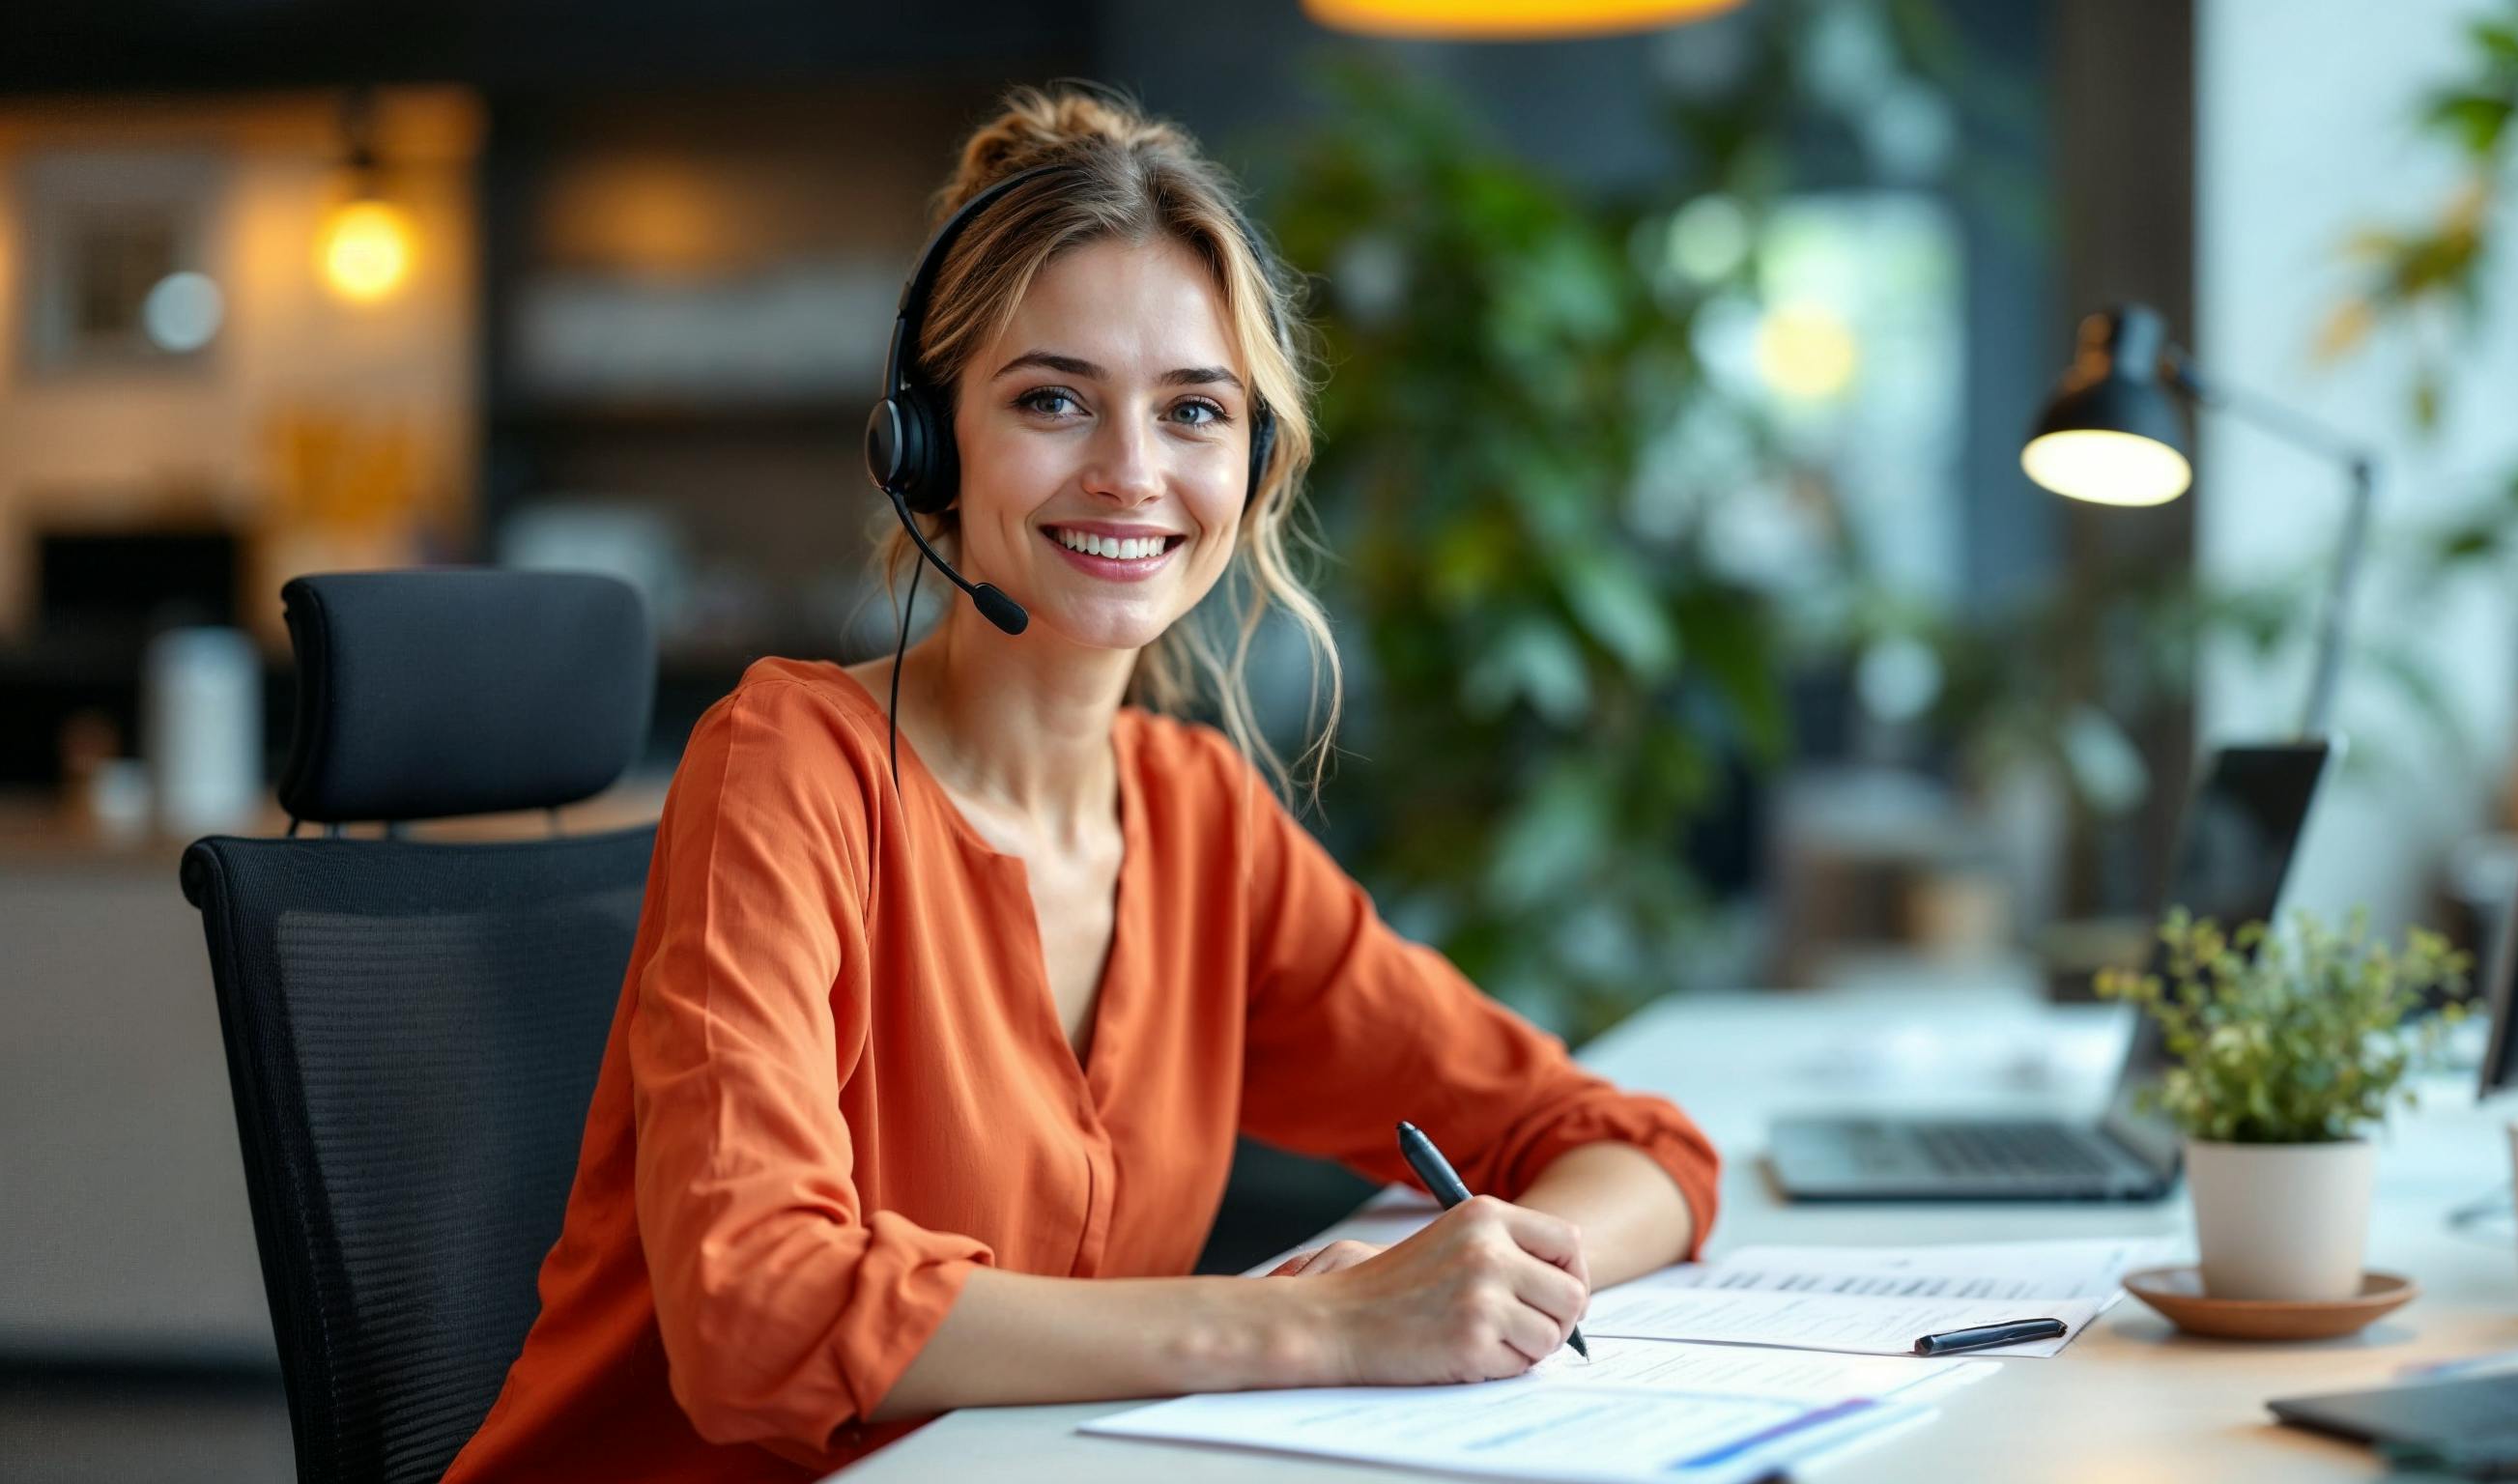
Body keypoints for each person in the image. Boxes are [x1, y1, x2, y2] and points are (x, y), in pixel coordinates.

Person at [442, 83, 1720, 1484]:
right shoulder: (791, 770)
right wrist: (1313, 1327)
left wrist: (1494, 1278)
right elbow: (756, 1315)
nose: (1131, 474)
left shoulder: (1197, 822)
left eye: (1193, 411)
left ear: (1254, 466)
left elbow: (1624, 1143)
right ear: (925, 448)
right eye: (1053, 400)